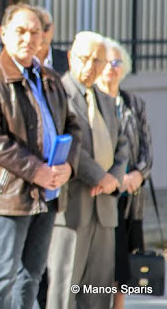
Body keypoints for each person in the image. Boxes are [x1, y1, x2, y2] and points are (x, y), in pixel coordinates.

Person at [0, 3, 80, 309]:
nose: (28, 38)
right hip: (12, 195)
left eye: (35, 31)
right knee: (3, 274)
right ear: (3, 33)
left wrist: (68, 167)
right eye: (20, 31)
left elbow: (74, 127)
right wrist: (36, 171)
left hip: (50, 190)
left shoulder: (50, 78)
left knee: (33, 274)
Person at [46, 31, 129, 309]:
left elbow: (123, 145)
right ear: (70, 57)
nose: (92, 66)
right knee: (63, 292)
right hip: (72, 211)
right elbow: (67, 145)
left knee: (98, 292)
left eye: (99, 61)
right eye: (86, 58)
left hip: (105, 210)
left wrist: (113, 181)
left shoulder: (106, 99)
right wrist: (99, 176)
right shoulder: (59, 94)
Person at [95, 37, 153, 309]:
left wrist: (138, 175)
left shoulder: (133, 103)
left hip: (131, 198)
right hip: (102, 192)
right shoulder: (91, 100)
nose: (112, 68)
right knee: (102, 260)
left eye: (117, 62)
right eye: (106, 62)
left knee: (123, 264)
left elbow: (147, 150)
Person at [36, 7, 69, 75]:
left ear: (52, 28)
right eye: (36, 30)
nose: (42, 34)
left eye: (46, 28)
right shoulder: (18, 64)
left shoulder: (68, 61)